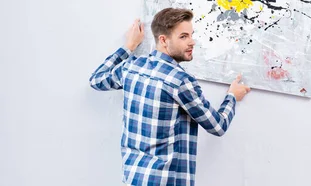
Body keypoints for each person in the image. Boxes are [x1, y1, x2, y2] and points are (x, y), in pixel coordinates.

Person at [89, 8, 250, 185]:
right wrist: (232, 97)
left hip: (133, 178)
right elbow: (218, 126)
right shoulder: (180, 81)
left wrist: (129, 46)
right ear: (163, 40)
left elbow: (97, 79)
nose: (192, 42)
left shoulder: (132, 67)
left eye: (191, 35)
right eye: (183, 37)